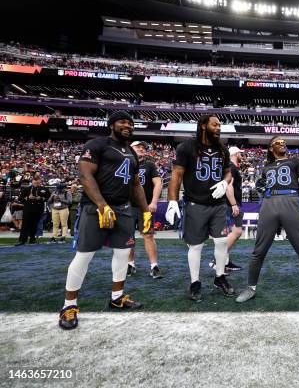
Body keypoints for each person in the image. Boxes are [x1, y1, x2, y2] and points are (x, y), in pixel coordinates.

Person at [59, 111, 151, 330]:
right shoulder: (97, 144)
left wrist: (146, 210)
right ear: (111, 125)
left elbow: (136, 185)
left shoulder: (130, 152)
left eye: (130, 122)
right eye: (122, 122)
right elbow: (85, 176)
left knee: (122, 254)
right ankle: (68, 306)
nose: (127, 125)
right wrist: (102, 204)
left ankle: (117, 297)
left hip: (124, 209)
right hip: (96, 208)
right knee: (84, 256)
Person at [235, 136, 299, 303]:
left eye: (284, 142)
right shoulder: (266, 167)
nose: (283, 144)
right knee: (258, 250)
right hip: (269, 204)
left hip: (291, 202)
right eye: (278, 142)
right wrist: (260, 187)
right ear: (271, 148)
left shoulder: (295, 161)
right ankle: (250, 287)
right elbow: (259, 187)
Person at [165, 115, 234, 302]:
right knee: (196, 246)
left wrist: (224, 182)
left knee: (221, 242)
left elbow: (228, 173)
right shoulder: (187, 147)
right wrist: (172, 201)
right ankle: (195, 282)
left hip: (218, 205)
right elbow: (177, 175)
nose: (219, 127)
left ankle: (220, 277)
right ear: (204, 126)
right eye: (215, 124)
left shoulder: (222, 149)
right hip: (195, 203)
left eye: (220, 124)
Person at [127, 141, 163, 279]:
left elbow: (158, 183)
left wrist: (154, 201)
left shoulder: (149, 165)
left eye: (143, 147)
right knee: (128, 237)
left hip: (145, 207)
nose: (141, 149)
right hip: (128, 206)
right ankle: (130, 264)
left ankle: (154, 266)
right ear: (131, 149)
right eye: (138, 147)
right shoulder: (125, 163)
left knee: (148, 235)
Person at [210, 146, 244, 274]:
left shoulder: (229, 166)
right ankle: (216, 260)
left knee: (228, 234)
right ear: (235, 154)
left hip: (227, 204)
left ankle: (225, 262)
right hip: (230, 204)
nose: (242, 156)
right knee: (237, 231)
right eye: (240, 154)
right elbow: (229, 187)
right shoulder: (232, 167)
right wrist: (234, 204)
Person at [15, 176, 50, 246]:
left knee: (34, 225)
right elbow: (20, 198)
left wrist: (41, 198)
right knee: (25, 225)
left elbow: (48, 197)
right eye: (35, 181)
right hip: (28, 209)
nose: (36, 183)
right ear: (32, 181)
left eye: (38, 181)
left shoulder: (44, 189)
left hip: (38, 209)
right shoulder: (26, 189)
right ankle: (22, 240)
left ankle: (32, 239)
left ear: (40, 181)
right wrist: (28, 197)